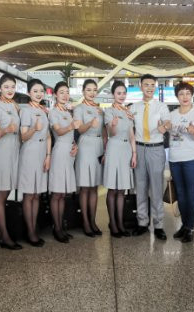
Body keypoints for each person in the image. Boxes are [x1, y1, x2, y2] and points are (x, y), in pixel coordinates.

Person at [130, 74, 171, 240]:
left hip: (156, 149)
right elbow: (128, 127)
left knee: (156, 188)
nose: (149, 87)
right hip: (139, 149)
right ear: (140, 86)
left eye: (152, 85)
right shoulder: (133, 107)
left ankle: (158, 224)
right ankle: (142, 222)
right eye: (146, 84)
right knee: (140, 187)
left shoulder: (161, 106)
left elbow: (168, 122)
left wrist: (164, 127)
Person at [168, 82, 194, 244]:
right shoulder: (171, 114)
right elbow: (165, 129)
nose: (185, 97)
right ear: (177, 96)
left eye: (188, 93)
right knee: (181, 193)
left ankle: (190, 228)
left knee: (191, 193)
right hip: (175, 158)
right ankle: (184, 225)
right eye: (181, 94)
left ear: (192, 95)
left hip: (192, 158)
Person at [0, 74, 22, 250]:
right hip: (2, 153)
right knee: (1, 194)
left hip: (14, 152)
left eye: (12, 87)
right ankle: (5, 237)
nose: (10, 90)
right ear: (0, 88)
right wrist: (7, 129)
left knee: (6, 192)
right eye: (6, 87)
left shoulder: (14, 105)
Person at [18, 79, 51, 247]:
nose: (39, 94)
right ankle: (30, 231)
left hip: (41, 153)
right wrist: (34, 129)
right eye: (35, 91)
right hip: (30, 153)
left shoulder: (43, 111)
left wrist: (48, 155)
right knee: (29, 194)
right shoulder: (26, 111)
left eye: (41, 91)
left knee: (37, 194)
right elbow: (23, 137)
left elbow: (48, 135)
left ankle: (34, 228)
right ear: (29, 93)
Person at [73, 78, 106, 236]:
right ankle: (85, 222)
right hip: (85, 145)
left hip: (98, 146)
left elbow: (104, 130)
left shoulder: (100, 109)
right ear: (83, 91)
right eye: (88, 90)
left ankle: (93, 221)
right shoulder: (79, 108)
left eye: (94, 90)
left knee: (94, 186)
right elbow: (79, 129)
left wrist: (105, 149)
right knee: (85, 187)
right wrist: (90, 123)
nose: (92, 93)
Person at [103, 81, 137, 237]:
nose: (122, 96)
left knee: (122, 189)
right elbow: (111, 133)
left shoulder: (128, 112)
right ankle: (113, 223)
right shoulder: (109, 111)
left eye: (124, 93)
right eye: (118, 93)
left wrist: (134, 153)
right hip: (114, 148)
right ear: (113, 94)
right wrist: (113, 125)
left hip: (126, 150)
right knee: (113, 188)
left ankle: (121, 223)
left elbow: (131, 135)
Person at [48, 81, 77, 243]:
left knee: (63, 193)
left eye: (67, 92)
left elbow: (71, 135)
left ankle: (61, 226)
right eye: (61, 92)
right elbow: (58, 131)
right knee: (57, 192)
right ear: (55, 95)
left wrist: (75, 145)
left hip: (69, 153)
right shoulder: (53, 112)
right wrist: (72, 126)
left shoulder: (67, 111)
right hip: (59, 152)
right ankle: (57, 228)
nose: (65, 95)